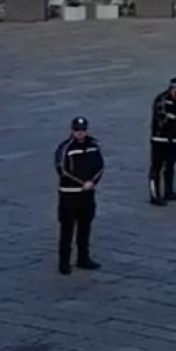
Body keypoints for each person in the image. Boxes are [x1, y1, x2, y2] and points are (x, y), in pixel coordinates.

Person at [54, 116, 105, 274]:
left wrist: (92, 182)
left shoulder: (93, 145)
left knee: (85, 227)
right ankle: (64, 262)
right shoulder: (65, 148)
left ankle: (83, 258)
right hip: (69, 195)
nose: (80, 133)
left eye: (82, 130)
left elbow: (100, 165)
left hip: (87, 194)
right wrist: (81, 182)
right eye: (77, 130)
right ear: (72, 130)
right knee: (67, 230)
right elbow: (62, 169)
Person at [148, 76, 176, 205]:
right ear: (174, 88)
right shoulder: (161, 99)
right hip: (160, 138)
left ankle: (168, 191)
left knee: (171, 165)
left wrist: (175, 117)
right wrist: (175, 118)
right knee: (157, 167)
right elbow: (162, 119)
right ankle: (154, 196)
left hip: (174, 138)